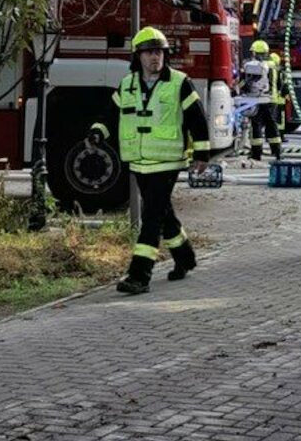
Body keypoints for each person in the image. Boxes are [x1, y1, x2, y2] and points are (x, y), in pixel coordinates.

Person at [89, 26, 210, 295]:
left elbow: (197, 119)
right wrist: (98, 132)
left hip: (168, 162)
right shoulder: (128, 85)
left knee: (151, 217)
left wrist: (202, 154)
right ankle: (185, 258)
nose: (155, 58)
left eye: (159, 52)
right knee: (164, 214)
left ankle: (139, 275)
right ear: (139, 57)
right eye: (149, 53)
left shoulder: (180, 82)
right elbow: (111, 114)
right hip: (139, 161)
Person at [239, 38, 281, 163]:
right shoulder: (274, 65)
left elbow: (245, 83)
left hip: (257, 99)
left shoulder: (252, 66)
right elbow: (280, 83)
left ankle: (256, 154)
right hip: (272, 99)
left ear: (255, 53)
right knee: (272, 125)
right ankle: (276, 151)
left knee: (256, 125)